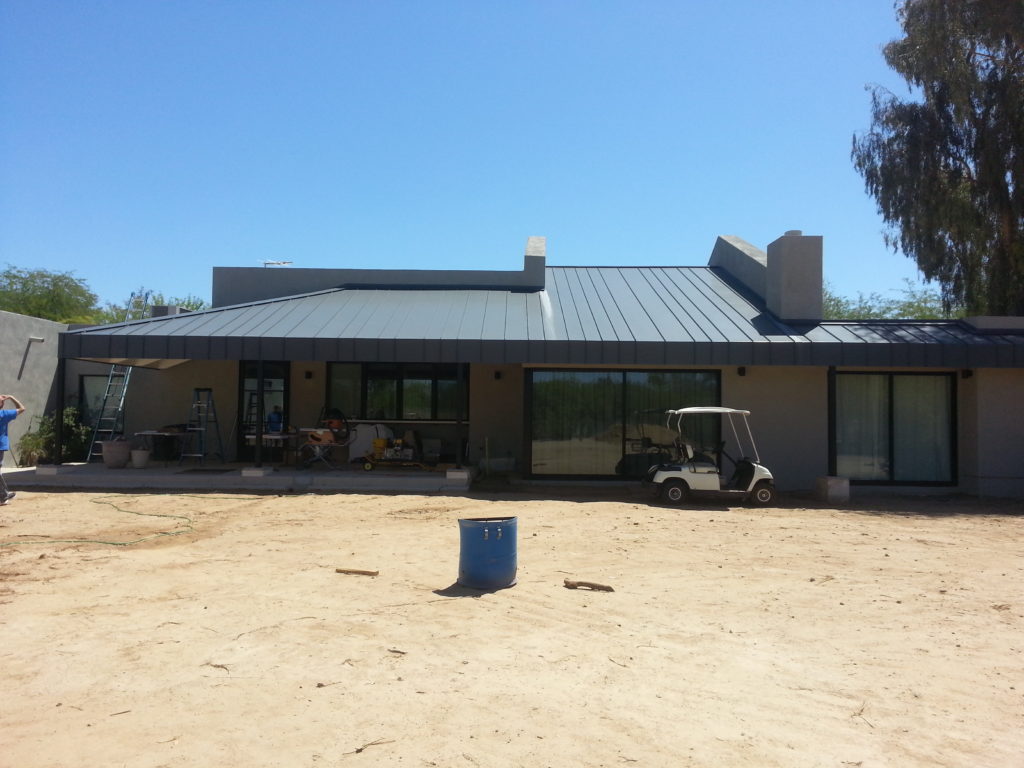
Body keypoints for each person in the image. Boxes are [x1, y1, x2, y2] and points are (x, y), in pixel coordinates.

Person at [0, 394, 26, 506]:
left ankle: (3, 494)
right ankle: (3, 495)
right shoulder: (4, 414)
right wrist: (11, 397)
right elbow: (22, 408)